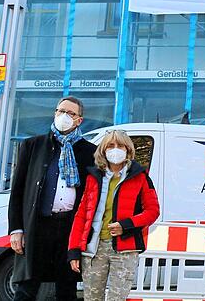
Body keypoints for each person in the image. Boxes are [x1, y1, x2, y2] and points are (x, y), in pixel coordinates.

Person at [8, 96, 97, 301]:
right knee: (26, 287)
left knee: (66, 288)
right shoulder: (33, 146)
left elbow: (93, 194)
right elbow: (18, 191)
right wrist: (16, 229)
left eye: (70, 113)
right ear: (55, 113)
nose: (64, 116)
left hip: (69, 227)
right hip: (37, 225)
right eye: (60, 111)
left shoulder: (89, 151)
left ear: (79, 120)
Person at [68, 129, 160, 301]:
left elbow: (153, 211)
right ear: (103, 150)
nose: (115, 149)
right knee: (92, 298)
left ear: (128, 150)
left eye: (120, 145)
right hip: (94, 249)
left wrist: (125, 225)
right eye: (110, 145)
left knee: (117, 298)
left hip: (125, 249)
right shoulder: (93, 177)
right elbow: (81, 215)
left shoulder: (140, 177)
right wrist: (73, 251)